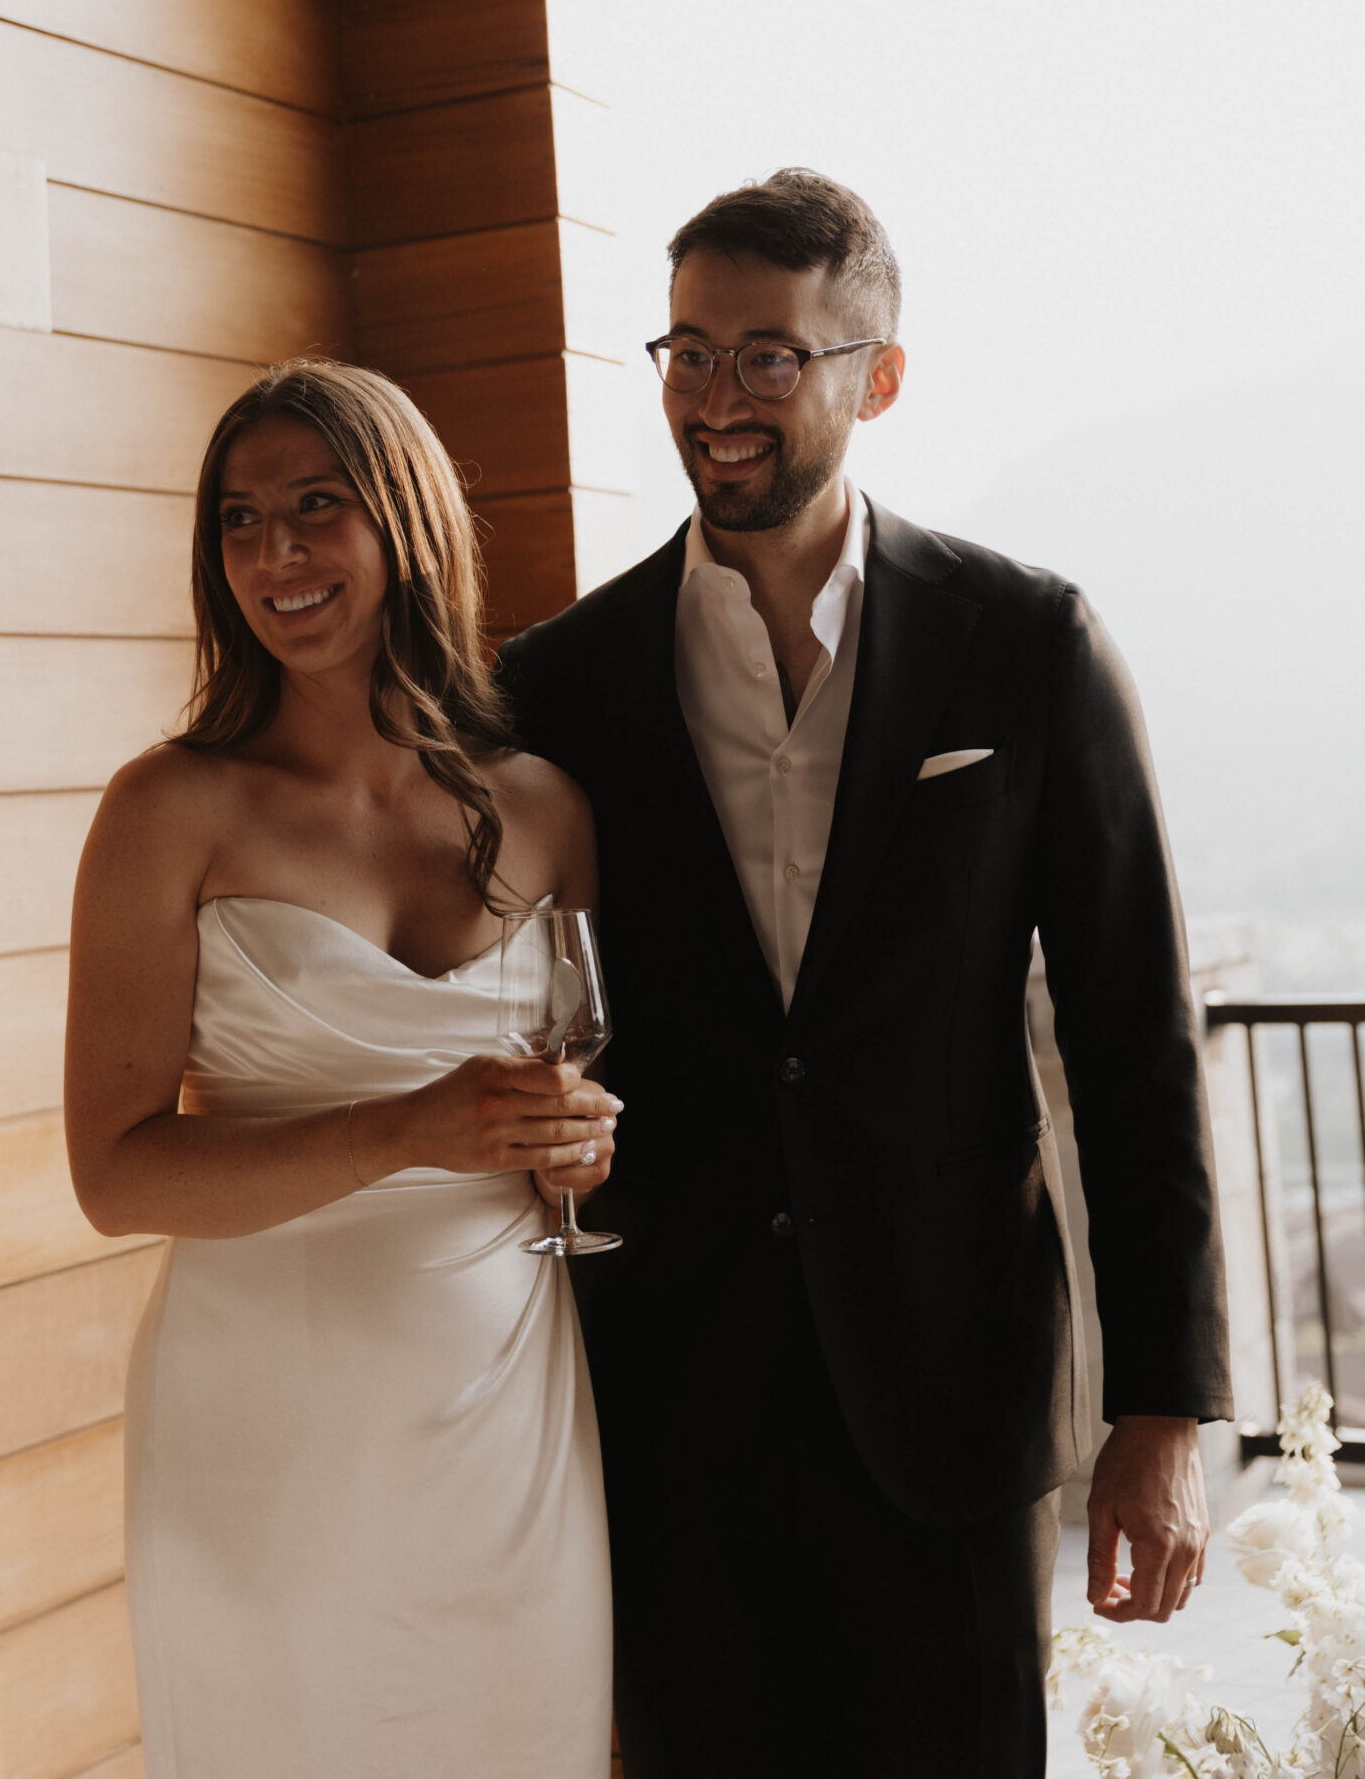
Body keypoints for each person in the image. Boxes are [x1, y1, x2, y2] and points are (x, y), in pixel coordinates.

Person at [497, 168, 1232, 1779]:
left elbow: (1135, 1038)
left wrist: (1166, 1409)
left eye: (770, 356)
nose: (716, 398)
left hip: (946, 1397)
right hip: (671, 1400)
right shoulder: (557, 682)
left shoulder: (1025, 643)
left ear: (876, 377)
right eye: (688, 351)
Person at [65, 360, 617, 1779]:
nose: (276, 556)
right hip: (268, 1426)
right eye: (240, 523)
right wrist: (405, 1129)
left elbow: (581, 1090)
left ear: (406, 524)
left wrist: (578, 1142)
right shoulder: (167, 810)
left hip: (509, 1410)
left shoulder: (546, 808)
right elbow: (115, 1174)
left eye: (318, 509)